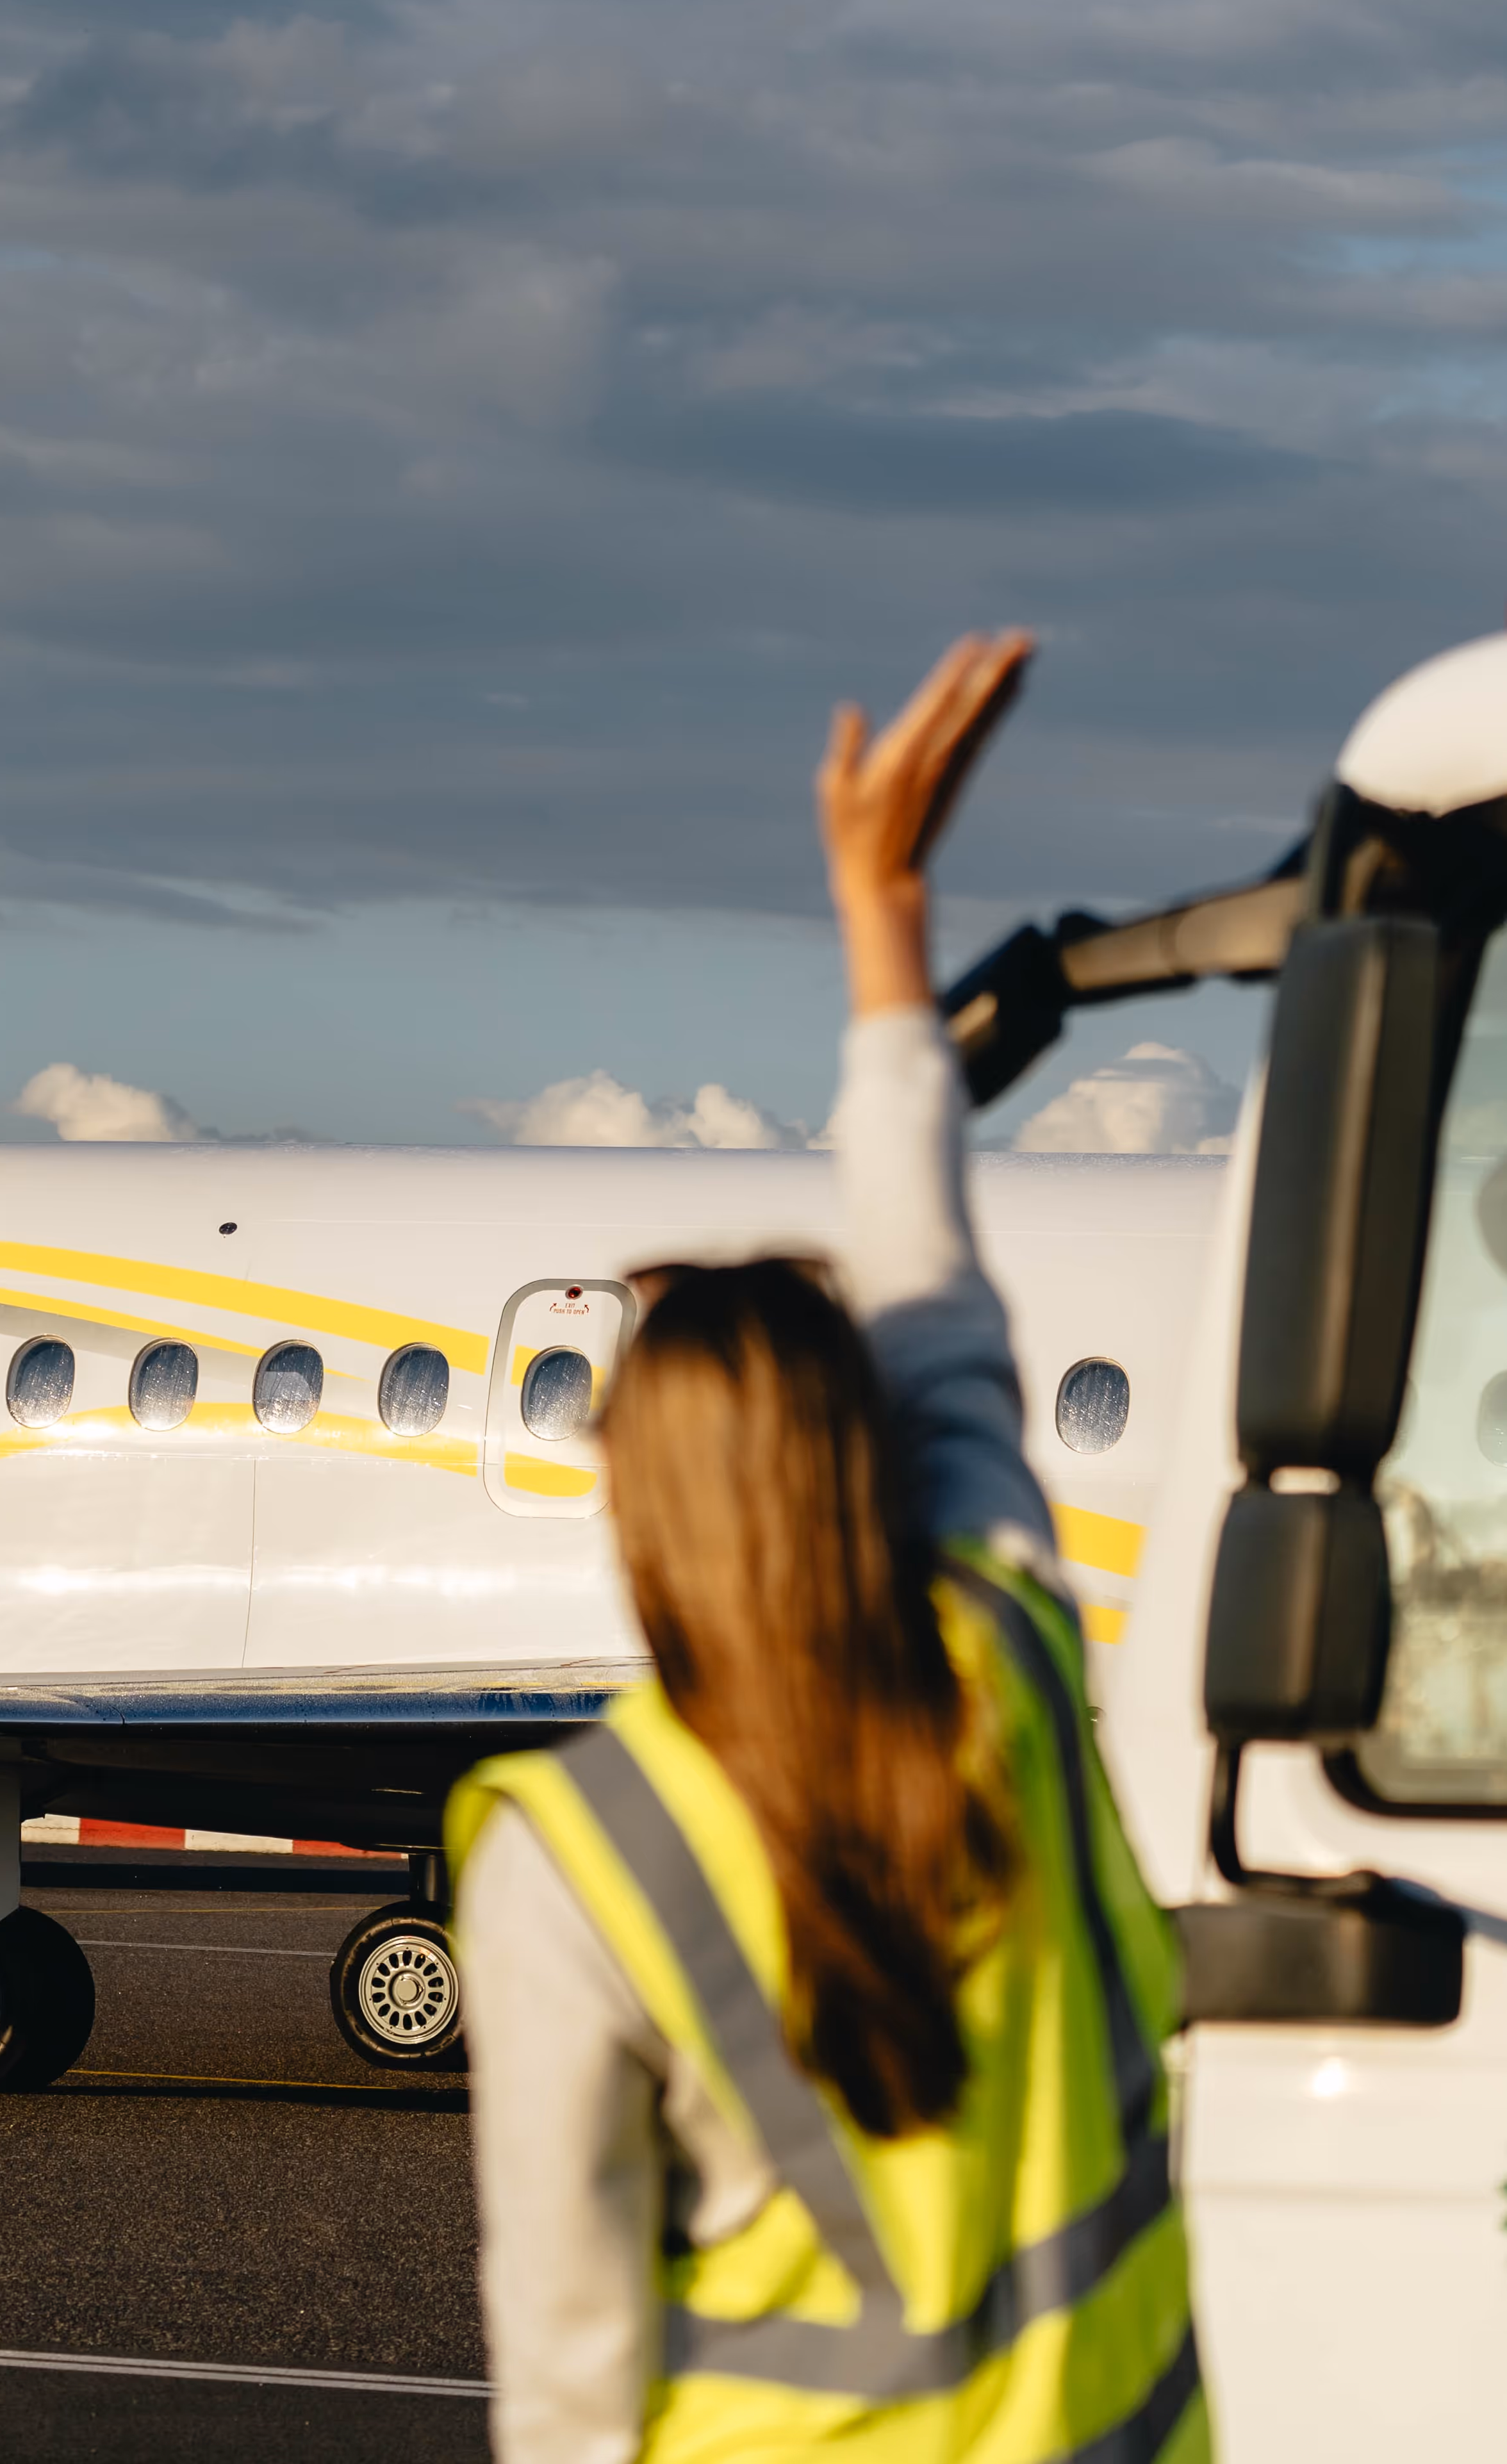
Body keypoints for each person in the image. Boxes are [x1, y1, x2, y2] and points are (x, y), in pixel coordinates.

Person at [449, 634, 1206, 2464]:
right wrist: (885, 929)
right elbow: (938, 1295)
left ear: (638, 1505)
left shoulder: (573, 1859)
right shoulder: (1012, 1664)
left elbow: (568, 2368)